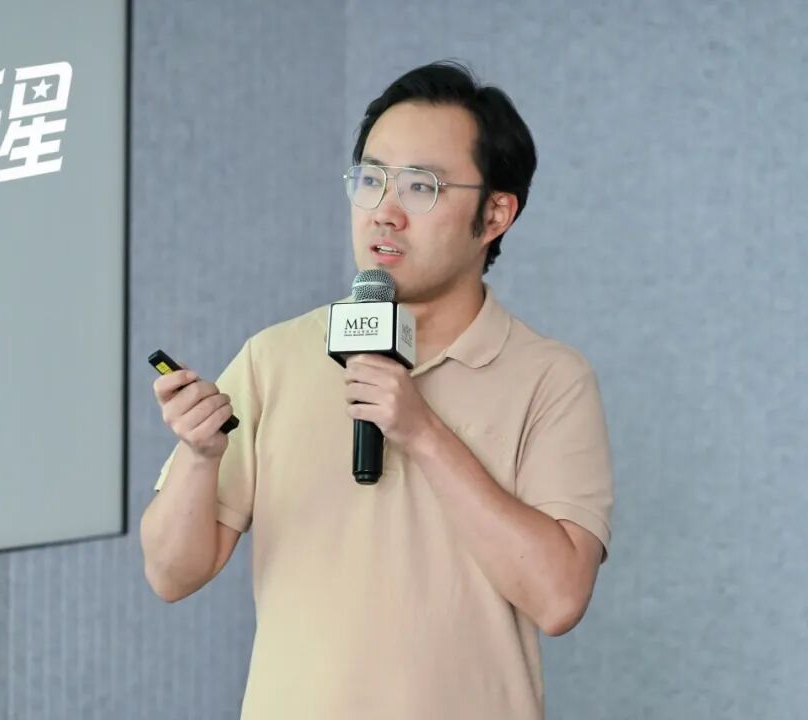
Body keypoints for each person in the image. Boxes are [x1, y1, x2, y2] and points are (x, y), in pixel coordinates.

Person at [139, 60, 614, 720]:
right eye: (370, 180)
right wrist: (199, 458)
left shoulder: (550, 378)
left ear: (495, 213)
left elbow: (559, 599)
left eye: (421, 187)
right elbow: (171, 575)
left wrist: (424, 433)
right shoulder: (275, 357)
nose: (384, 213)